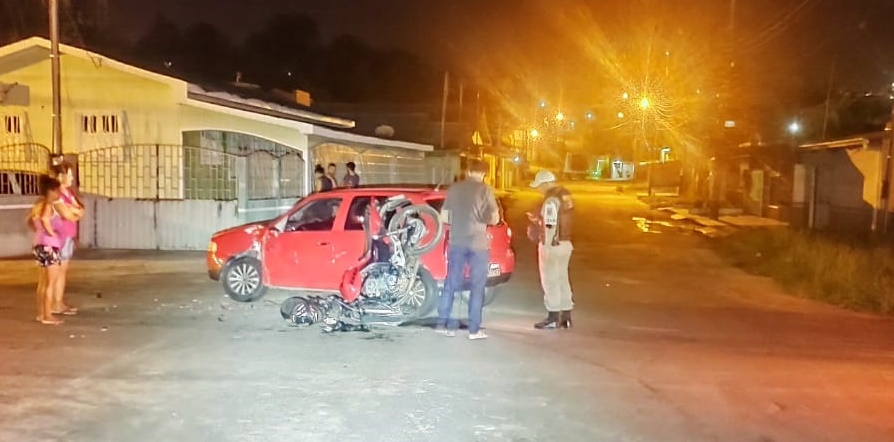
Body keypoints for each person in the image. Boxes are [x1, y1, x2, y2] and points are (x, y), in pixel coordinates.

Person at [436, 159, 500, 340]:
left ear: (468, 171)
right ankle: (473, 330)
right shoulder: (485, 190)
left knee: (451, 283)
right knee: (477, 287)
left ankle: (443, 324)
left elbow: (444, 217)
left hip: (457, 242)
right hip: (478, 244)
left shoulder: (454, 189)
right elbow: (495, 219)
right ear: (484, 173)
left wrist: (459, 223)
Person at [527, 170, 575, 330]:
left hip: (553, 245)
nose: (539, 190)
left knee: (550, 281)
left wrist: (546, 244)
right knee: (562, 279)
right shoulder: (565, 195)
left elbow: (550, 224)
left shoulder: (551, 200)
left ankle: (553, 317)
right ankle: (566, 317)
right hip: (566, 243)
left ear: (546, 184)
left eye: (540, 186)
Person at [27, 175, 66, 325]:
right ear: (50, 190)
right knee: (51, 282)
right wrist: (51, 233)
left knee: (43, 282)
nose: (58, 195)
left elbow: (32, 221)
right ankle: (48, 315)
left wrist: (41, 232)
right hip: (50, 246)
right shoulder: (48, 206)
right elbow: (45, 219)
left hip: (39, 245)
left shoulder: (37, 204)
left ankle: (41, 313)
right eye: (56, 191)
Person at [49, 161, 84, 316]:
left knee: (62, 272)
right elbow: (69, 215)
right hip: (59, 238)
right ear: (60, 176)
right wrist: (74, 211)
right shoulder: (57, 195)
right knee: (56, 272)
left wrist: (74, 210)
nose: (71, 178)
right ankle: (52, 305)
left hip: (68, 235)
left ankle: (59, 302)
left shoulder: (69, 193)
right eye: (69, 175)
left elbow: (81, 211)